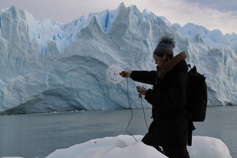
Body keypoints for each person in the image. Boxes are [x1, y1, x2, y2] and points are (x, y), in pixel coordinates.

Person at [120, 36, 190, 158]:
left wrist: (148, 94)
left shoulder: (178, 76)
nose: (155, 62)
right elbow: (150, 76)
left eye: (156, 58)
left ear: (164, 56)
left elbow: (172, 103)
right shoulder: (165, 73)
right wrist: (131, 75)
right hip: (162, 127)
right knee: (144, 148)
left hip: (174, 130)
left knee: (174, 154)